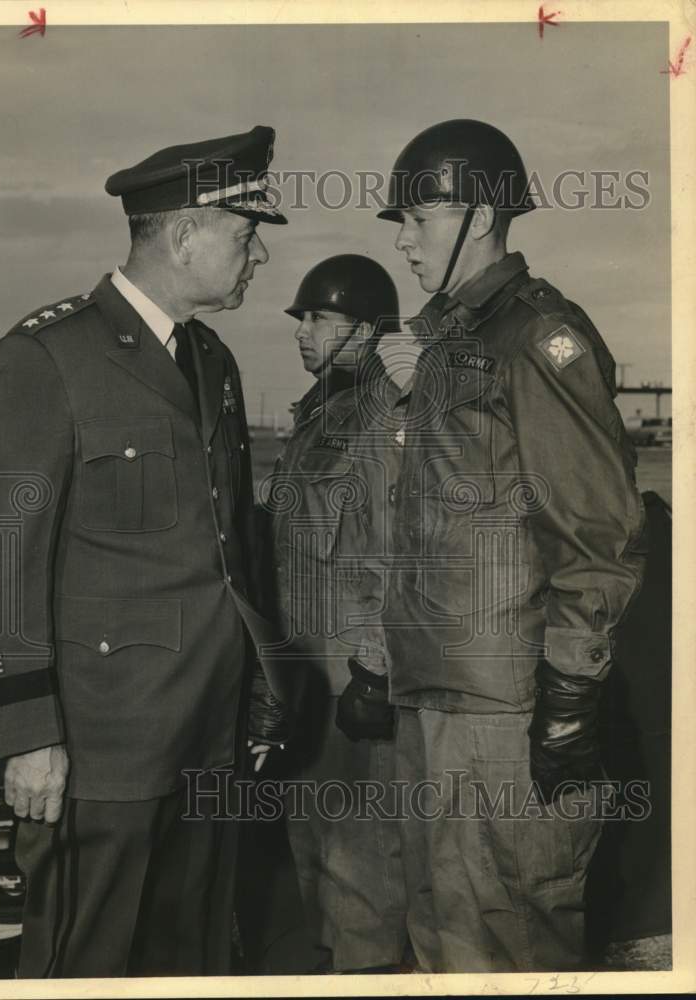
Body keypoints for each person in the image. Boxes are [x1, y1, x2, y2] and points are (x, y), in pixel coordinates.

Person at [0, 125, 291, 977]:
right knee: (90, 963)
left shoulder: (211, 361)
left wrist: (258, 684)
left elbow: (229, 546)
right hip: (103, 744)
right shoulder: (49, 357)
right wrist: (29, 732)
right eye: (245, 236)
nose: (256, 257)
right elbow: (4, 556)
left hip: (207, 735)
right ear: (184, 237)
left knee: (190, 963)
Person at [359, 118, 647, 971]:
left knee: (504, 939)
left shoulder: (536, 339)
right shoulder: (449, 343)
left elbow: (596, 534)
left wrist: (569, 696)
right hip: (433, 695)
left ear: (481, 215)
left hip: (504, 710)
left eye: (419, 218)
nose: (403, 241)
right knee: (439, 936)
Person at [263, 255, 408, 972]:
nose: (302, 330)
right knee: (313, 852)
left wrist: (375, 673)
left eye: (320, 317)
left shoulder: (386, 415)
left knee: (363, 870)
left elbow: (401, 552)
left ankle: (372, 976)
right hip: (308, 680)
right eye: (302, 317)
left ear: (369, 331)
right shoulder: (317, 413)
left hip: (355, 678)